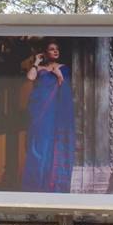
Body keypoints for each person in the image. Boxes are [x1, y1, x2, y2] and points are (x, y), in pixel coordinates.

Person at [21, 40, 75, 193]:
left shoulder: (64, 68)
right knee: (37, 145)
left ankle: (51, 184)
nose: (55, 51)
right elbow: (30, 78)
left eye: (57, 49)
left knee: (50, 145)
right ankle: (35, 184)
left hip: (54, 112)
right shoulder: (40, 68)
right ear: (45, 53)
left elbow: (65, 90)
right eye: (52, 49)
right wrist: (36, 62)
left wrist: (59, 76)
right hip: (39, 112)